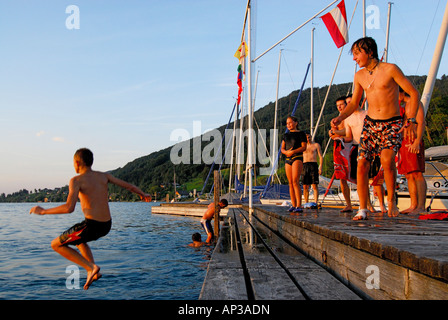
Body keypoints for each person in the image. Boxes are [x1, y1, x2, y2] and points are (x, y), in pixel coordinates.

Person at [29, 148, 152, 290]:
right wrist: (142, 194)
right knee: (80, 241)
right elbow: (129, 186)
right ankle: (93, 273)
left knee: (55, 245)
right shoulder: (104, 176)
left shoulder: (76, 180)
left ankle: (90, 267)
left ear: (76, 162)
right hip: (106, 225)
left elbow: (69, 208)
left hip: (91, 225)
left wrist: (43, 211)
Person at [331, 37, 419, 220]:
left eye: (357, 53)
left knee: (387, 160)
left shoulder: (390, 69)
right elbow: (354, 102)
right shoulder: (359, 76)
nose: (354, 58)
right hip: (371, 123)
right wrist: (340, 117)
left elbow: (413, 92)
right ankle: (362, 208)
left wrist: (411, 119)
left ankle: (391, 202)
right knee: (362, 163)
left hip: (392, 122)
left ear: (369, 52)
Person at [344, 95, 387, 214]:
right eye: (347, 103)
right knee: (361, 179)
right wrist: (338, 137)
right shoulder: (348, 119)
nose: (348, 104)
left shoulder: (368, 113)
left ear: (357, 101)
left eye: (350, 102)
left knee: (376, 177)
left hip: (371, 146)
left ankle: (382, 205)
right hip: (356, 146)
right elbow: (348, 137)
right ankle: (367, 205)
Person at [398, 87, 427, 214]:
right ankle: (413, 205)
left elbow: (421, 123)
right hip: (404, 142)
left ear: (402, 92)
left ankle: (421, 206)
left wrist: (417, 142)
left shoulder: (416, 103)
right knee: (408, 175)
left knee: (417, 173)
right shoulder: (403, 107)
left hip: (413, 140)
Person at [329, 96, 353, 213]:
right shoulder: (335, 120)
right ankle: (348, 204)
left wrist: (336, 132)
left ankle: (367, 204)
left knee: (358, 176)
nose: (339, 107)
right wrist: (335, 133)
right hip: (339, 148)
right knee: (342, 178)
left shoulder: (351, 117)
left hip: (351, 147)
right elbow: (333, 136)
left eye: (341, 105)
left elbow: (349, 132)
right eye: (337, 105)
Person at [281, 116, 307, 214]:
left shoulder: (301, 134)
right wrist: (286, 152)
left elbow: (304, 147)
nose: (289, 125)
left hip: (297, 157)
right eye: (287, 123)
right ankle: (293, 204)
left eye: (290, 123)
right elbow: (282, 148)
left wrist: (293, 152)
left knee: (295, 181)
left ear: (296, 123)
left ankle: (299, 205)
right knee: (290, 182)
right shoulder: (285, 135)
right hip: (288, 158)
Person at [302, 133, 323, 204]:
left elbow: (320, 156)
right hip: (305, 165)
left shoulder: (316, 145)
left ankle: (316, 201)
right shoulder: (303, 146)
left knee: (314, 185)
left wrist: (320, 168)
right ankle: (306, 202)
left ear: (311, 137)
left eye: (309, 137)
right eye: (307, 138)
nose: (308, 139)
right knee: (305, 186)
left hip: (313, 164)